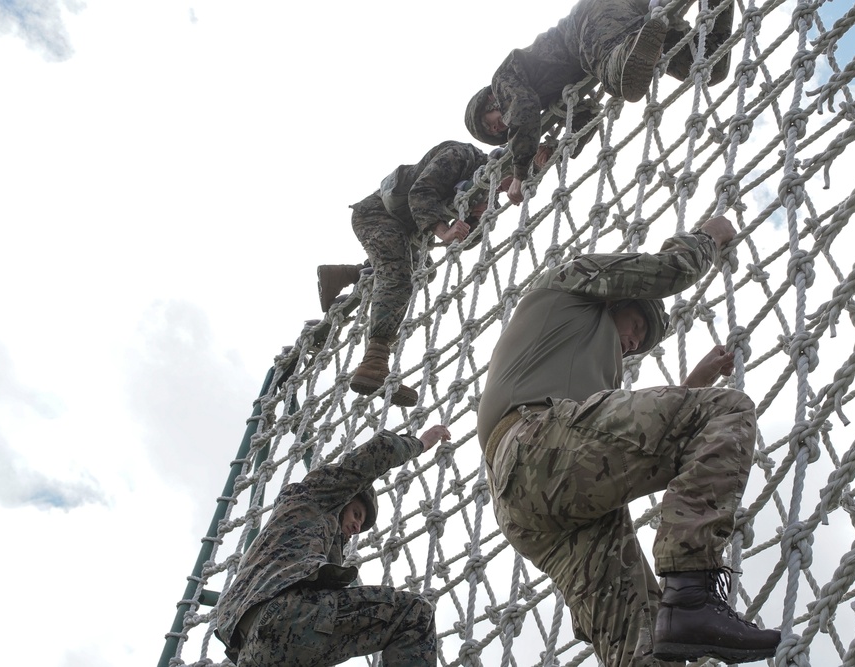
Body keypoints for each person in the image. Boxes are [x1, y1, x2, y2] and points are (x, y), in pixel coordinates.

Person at [475, 216, 780, 665]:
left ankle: (678, 616)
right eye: (637, 323)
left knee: (646, 642)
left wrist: (692, 384)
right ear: (615, 299)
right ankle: (692, 592)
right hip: (535, 445)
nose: (635, 341)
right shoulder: (567, 287)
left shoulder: (589, 376)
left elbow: (617, 448)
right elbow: (669, 269)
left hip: (530, 503)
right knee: (727, 409)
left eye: (641, 339)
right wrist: (708, 237)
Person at [215, 424, 452, 667]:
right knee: (414, 613)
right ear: (347, 497)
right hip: (287, 616)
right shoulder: (316, 496)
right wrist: (420, 443)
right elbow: (379, 450)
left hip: (252, 653)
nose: (358, 526)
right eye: (357, 514)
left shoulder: (282, 543)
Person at [465, 0, 735, 205]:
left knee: (620, 77)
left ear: (488, 99)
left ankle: (645, 35)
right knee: (708, 63)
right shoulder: (549, 102)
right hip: (632, 23)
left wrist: (520, 171)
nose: (498, 127)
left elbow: (521, 110)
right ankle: (700, 12)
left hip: (591, 21)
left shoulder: (503, 80)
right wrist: (557, 147)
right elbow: (586, 116)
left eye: (489, 125)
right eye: (496, 134)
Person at [316, 140, 511, 407]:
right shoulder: (461, 156)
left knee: (423, 270)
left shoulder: (485, 192)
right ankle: (374, 362)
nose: (504, 187)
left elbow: (469, 239)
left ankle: (342, 274)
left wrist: (475, 217)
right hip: (377, 216)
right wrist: (443, 230)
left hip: (408, 232)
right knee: (398, 278)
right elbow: (421, 192)